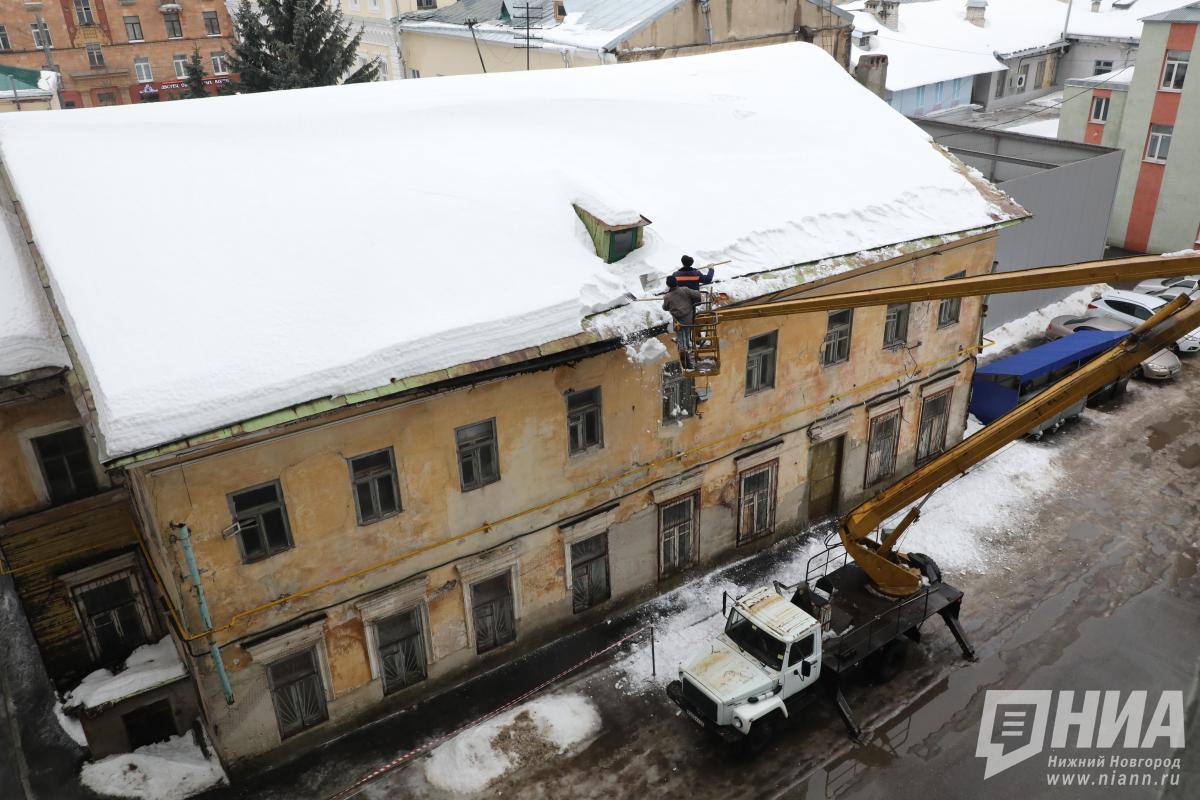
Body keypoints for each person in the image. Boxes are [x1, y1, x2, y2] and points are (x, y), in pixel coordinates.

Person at [662, 284, 703, 368]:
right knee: (687, 337)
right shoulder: (685, 290)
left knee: (681, 341)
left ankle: (686, 363)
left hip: (678, 322)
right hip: (688, 320)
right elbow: (698, 294)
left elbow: (665, 307)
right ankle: (688, 352)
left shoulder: (667, 296)